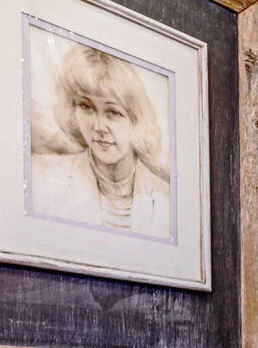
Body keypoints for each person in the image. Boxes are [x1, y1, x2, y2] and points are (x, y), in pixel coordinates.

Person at [29, 43, 173, 237]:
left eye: (113, 112)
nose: (98, 127)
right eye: (86, 107)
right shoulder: (44, 180)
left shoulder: (167, 198)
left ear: (136, 118)